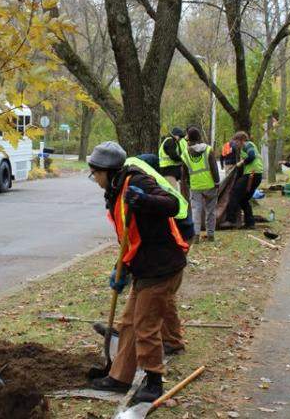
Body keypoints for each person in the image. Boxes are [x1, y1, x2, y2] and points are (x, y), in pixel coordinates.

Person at [87, 141, 189, 403]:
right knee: (130, 323)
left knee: (145, 324)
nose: (94, 179)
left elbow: (173, 204)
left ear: (107, 171)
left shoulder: (137, 182)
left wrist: (145, 200)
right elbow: (128, 236)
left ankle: (154, 382)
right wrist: (121, 269)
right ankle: (119, 378)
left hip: (162, 267)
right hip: (145, 266)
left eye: (95, 173)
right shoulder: (115, 190)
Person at [182, 127, 220, 241]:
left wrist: (189, 183)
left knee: (196, 211)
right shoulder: (208, 150)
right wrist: (217, 182)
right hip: (210, 185)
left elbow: (185, 173)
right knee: (211, 211)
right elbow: (214, 168)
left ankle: (196, 236)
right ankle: (211, 235)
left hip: (195, 186)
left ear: (189, 139)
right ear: (199, 137)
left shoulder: (185, 153)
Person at [225, 131, 263, 229]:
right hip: (256, 175)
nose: (235, 144)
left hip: (252, 174)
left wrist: (241, 162)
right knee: (244, 199)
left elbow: (251, 156)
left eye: (236, 142)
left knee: (234, 193)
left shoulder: (248, 144)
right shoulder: (243, 149)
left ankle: (230, 221)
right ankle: (250, 223)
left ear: (241, 140)